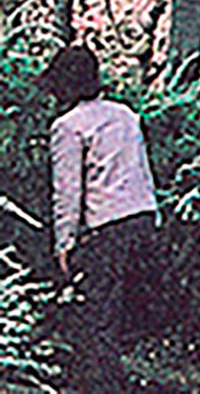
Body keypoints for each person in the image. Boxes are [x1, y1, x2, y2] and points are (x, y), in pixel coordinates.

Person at [41, 45, 158, 394]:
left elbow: (67, 192)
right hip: (144, 218)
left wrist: (64, 244)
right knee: (124, 317)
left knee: (98, 319)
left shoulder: (67, 127)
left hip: (108, 227)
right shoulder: (125, 114)